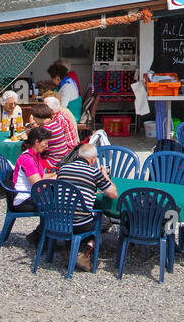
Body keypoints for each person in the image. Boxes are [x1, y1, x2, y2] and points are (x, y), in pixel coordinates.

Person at [55, 141, 117, 270]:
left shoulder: (63, 169)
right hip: (79, 223)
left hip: (59, 220)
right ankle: (86, 248)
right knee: (105, 221)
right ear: (93, 159)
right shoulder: (93, 173)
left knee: (76, 212)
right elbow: (113, 194)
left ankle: (70, 250)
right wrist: (105, 175)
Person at [12, 127, 55, 206]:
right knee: (59, 202)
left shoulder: (36, 154)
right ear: (36, 142)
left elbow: (41, 176)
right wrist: (56, 178)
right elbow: (38, 186)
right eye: (45, 143)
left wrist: (56, 174)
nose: (47, 146)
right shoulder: (27, 159)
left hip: (31, 193)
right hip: (23, 199)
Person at [30, 97, 79, 169]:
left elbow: (39, 148)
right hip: (63, 154)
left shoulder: (50, 126)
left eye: (34, 117)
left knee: (30, 160)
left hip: (60, 158)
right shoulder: (54, 121)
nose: (33, 119)